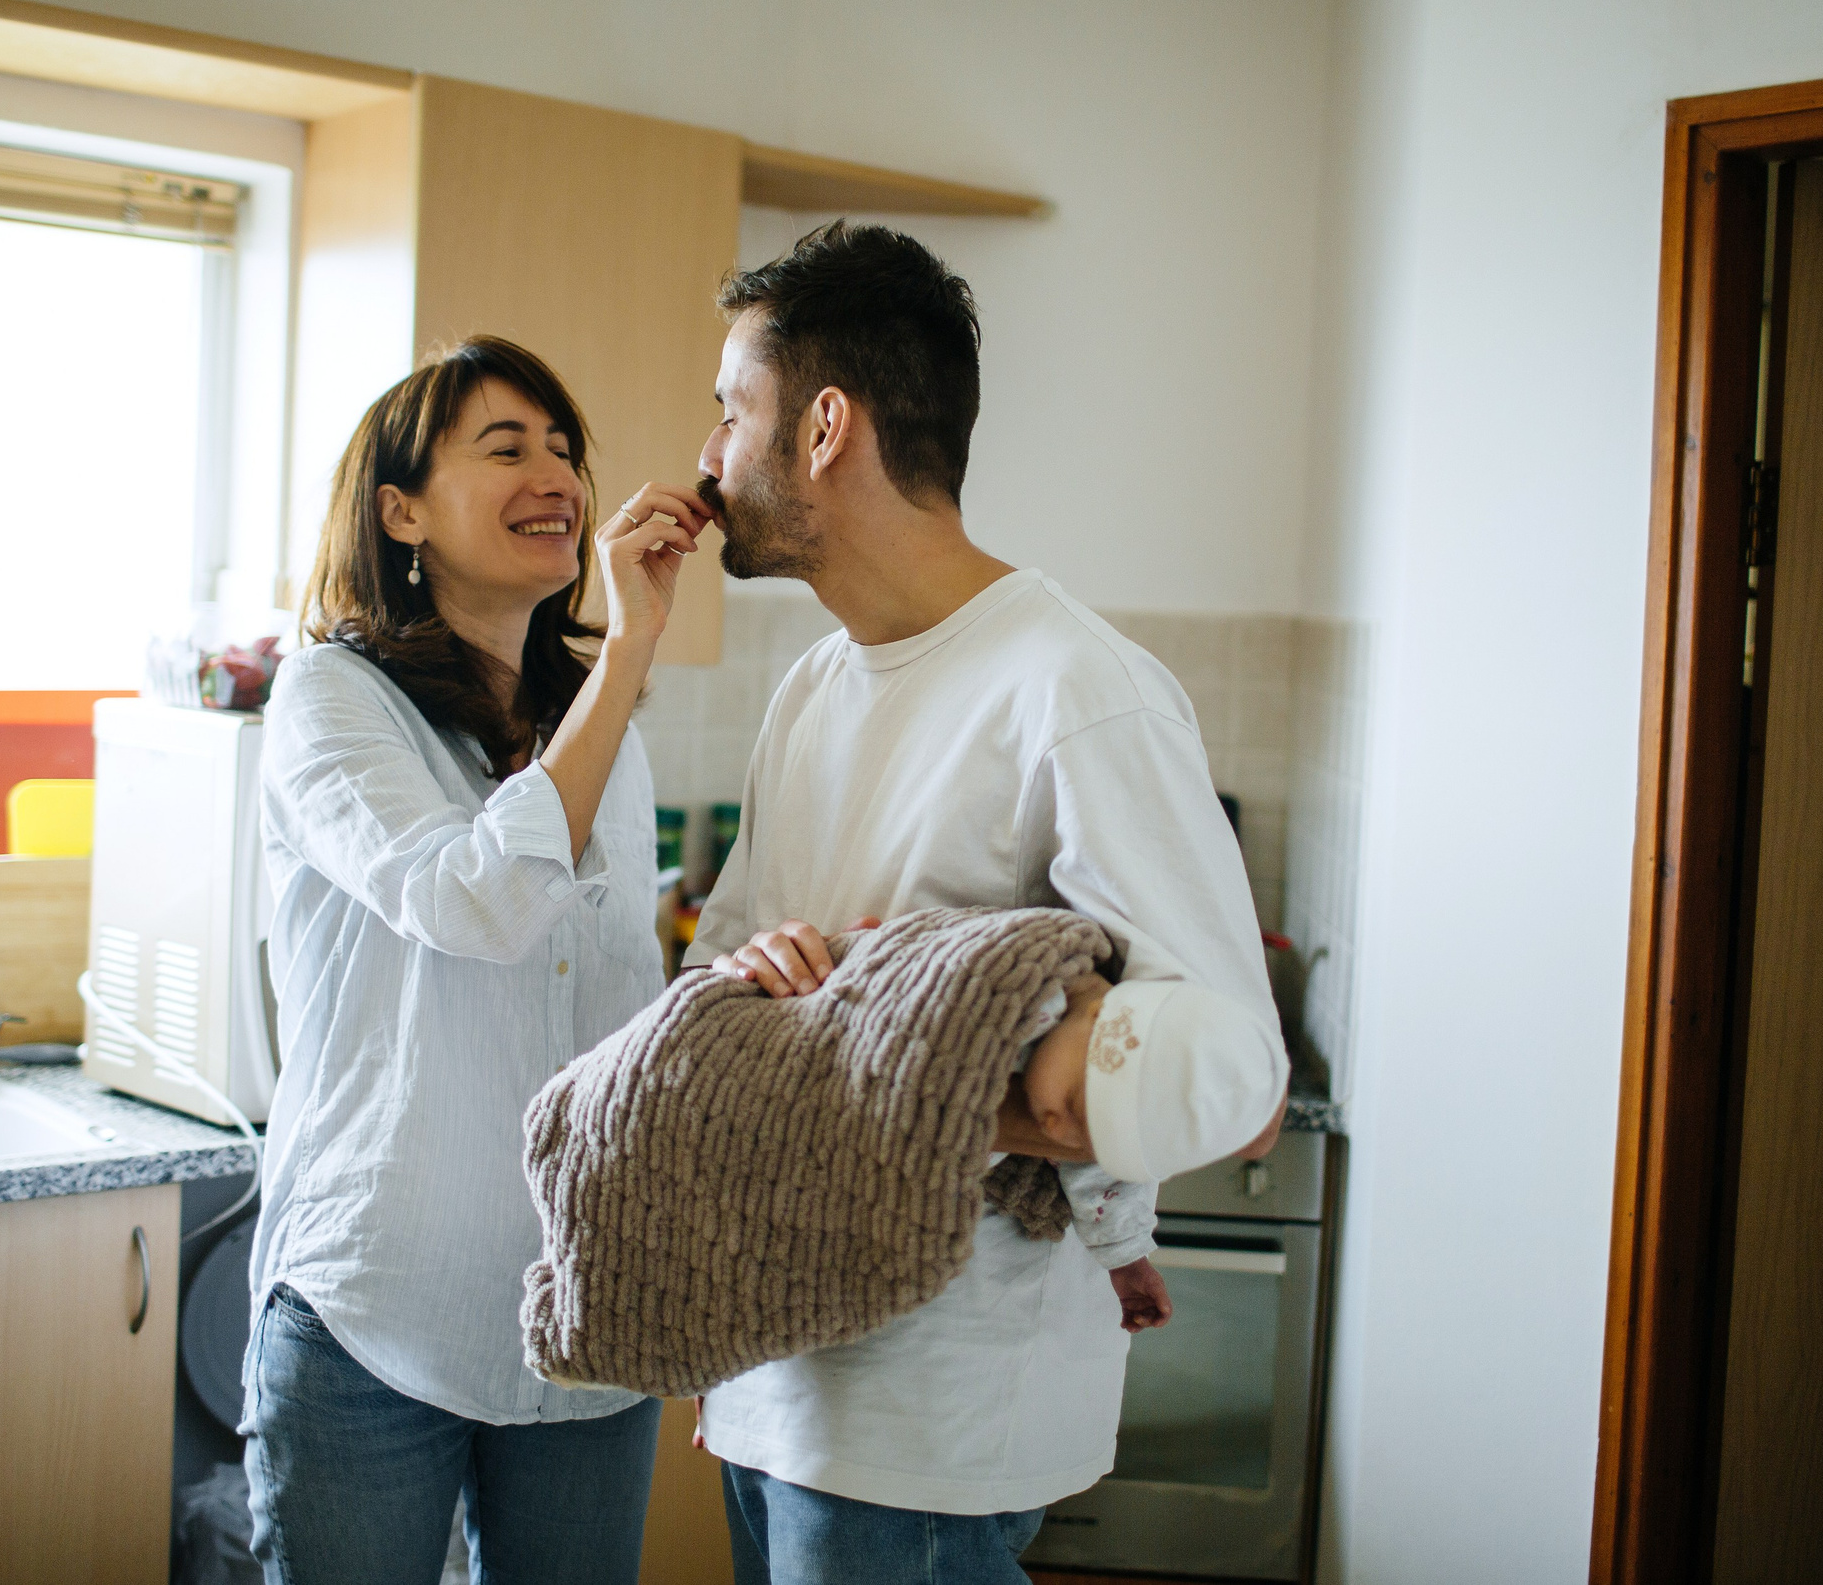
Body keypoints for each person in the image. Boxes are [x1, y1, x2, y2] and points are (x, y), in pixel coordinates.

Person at [684, 223, 1292, 1585]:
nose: (711, 455)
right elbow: (725, 967)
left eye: (734, 409)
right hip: (779, 1376)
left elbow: (1235, 1065)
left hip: (931, 1419)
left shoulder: (1077, 689)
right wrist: (764, 982)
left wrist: (894, 1035)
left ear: (825, 426)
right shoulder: (816, 687)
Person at [243, 335, 712, 1585]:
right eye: (504, 449)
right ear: (401, 510)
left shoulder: (594, 724)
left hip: (588, 1313)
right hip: (376, 1316)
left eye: (564, 448)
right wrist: (626, 654)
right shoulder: (330, 701)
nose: (554, 473)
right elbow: (478, 904)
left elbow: (624, 999)